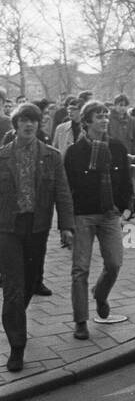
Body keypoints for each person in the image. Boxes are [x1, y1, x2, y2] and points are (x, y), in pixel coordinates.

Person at [0, 103, 76, 371]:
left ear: (40, 124)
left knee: (31, 282)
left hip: (37, 227)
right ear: (16, 124)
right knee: (13, 288)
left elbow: (63, 193)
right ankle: (16, 347)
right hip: (7, 228)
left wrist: (66, 226)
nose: (29, 125)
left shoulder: (52, 156)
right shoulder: (2, 156)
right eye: (23, 121)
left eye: (34, 120)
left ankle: (15, 314)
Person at [64, 100, 134, 340]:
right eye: (98, 117)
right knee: (80, 269)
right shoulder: (74, 152)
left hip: (109, 214)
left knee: (114, 263)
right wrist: (66, 224)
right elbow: (67, 189)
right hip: (82, 215)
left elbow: (126, 180)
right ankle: (81, 321)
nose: (104, 120)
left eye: (106, 116)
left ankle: (101, 294)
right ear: (86, 122)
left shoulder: (117, 148)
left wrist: (126, 208)